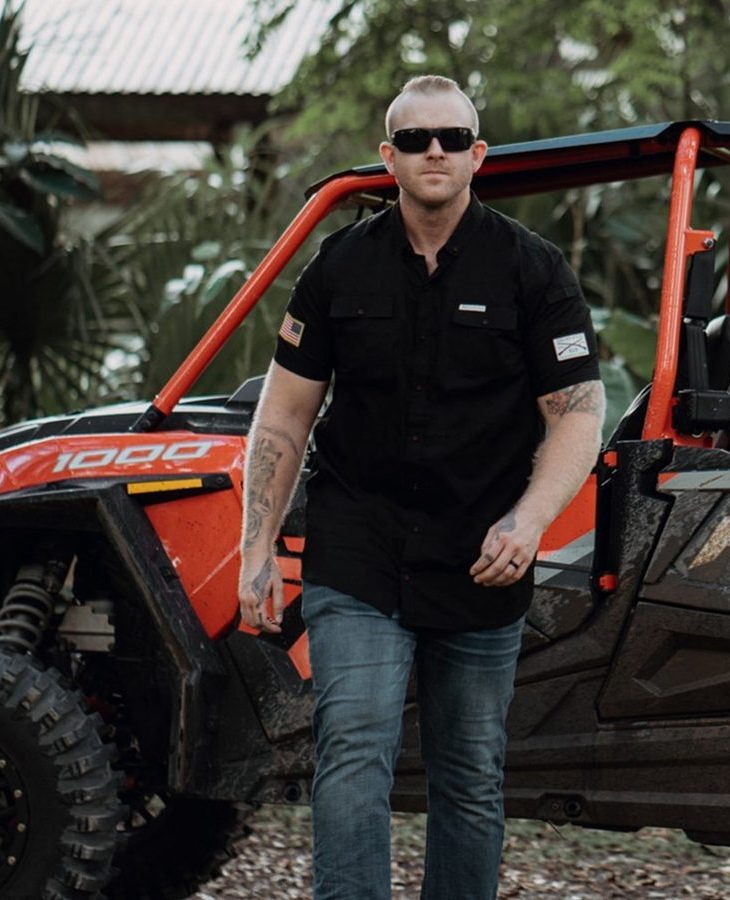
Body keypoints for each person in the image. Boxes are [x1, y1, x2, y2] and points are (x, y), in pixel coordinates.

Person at [238, 74, 605, 900]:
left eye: (451, 139)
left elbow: (578, 416)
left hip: (482, 556)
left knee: (469, 775)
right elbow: (285, 417)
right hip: (358, 551)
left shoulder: (534, 270)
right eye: (414, 140)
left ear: (478, 155)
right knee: (353, 752)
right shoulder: (339, 267)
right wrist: (255, 549)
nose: (433, 151)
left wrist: (528, 522)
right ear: (389, 157)